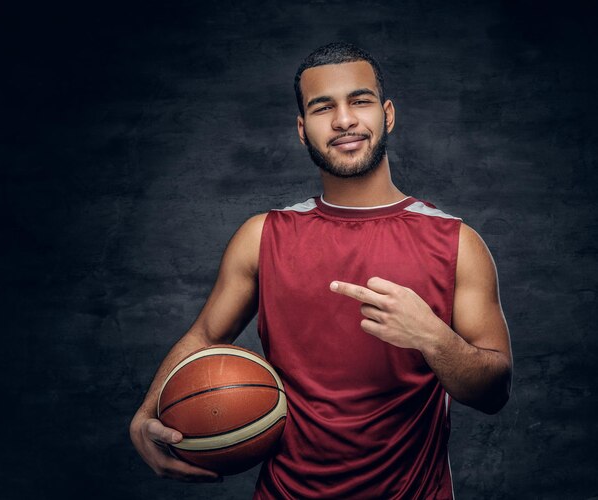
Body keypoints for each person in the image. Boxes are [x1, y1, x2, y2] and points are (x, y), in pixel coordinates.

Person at [130, 42, 513, 498]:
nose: (344, 120)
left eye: (360, 101)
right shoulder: (262, 236)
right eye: (322, 107)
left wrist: (432, 335)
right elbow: (205, 336)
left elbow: (494, 392)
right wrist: (146, 412)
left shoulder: (457, 242)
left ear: (387, 114)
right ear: (301, 128)